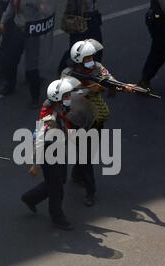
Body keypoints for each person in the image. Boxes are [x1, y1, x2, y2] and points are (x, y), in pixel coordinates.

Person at [62, 39, 134, 206]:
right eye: (88, 58)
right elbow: (67, 96)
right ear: (79, 60)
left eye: (91, 57)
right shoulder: (67, 73)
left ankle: (77, 174)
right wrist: (88, 89)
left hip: (96, 118)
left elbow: (109, 79)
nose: (91, 61)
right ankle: (90, 191)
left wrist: (122, 86)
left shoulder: (97, 68)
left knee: (89, 153)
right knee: (86, 157)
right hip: (77, 119)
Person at [21, 77, 82, 231]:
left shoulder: (59, 107)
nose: (69, 98)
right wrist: (36, 165)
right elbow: (40, 140)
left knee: (59, 180)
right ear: (58, 99)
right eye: (67, 96)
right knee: (57, 189)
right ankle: (57, 218)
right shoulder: (49, 119)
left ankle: (30, 197)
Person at [0, 0, 54, 108]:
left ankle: (35, 98)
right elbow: (11, 7)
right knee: (11, 59)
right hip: (18, 29)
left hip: (32, 32)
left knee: (31, 66)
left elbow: (46, 11)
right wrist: (3, 22)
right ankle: (9, 85)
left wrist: (43, 8)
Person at [57, 0, 103, 75]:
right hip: (79, 21)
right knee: (77, 50)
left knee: (97, 49)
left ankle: (89, 71)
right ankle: (63, 70)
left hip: (92, 18)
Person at [0, 0, 11, 83]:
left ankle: (30, 72)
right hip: (5, 11)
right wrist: (3, 19)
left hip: (20, 13)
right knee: (7, 44)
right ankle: (2, 72)